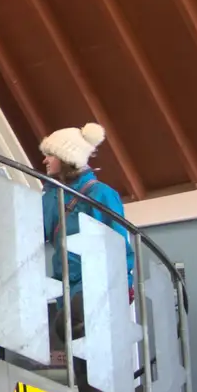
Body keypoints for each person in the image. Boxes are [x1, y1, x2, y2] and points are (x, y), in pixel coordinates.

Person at [40, 123, 134, 352]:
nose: (45, 160)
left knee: (95, 355)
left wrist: (120, 285)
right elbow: (33, 229)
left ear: (66, 157)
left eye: (50, 155)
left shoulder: (101, 194)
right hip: (67, 286)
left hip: (94, 286)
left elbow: (119, 246)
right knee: (78, 358)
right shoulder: (52, 196)